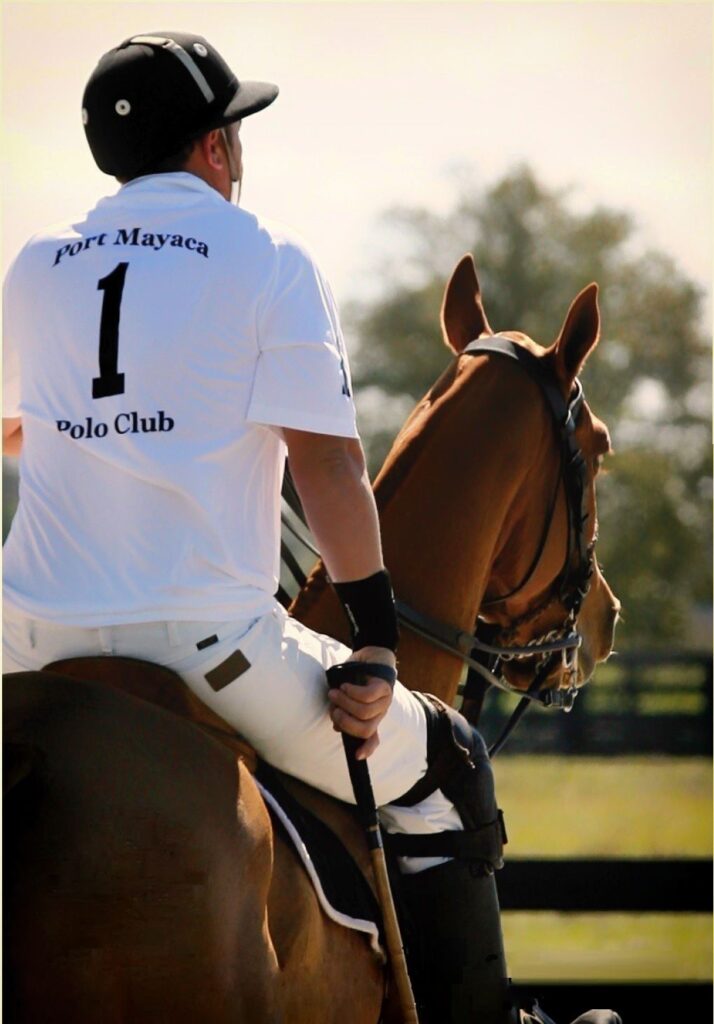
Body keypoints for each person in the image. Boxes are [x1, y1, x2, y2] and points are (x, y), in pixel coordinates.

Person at [2, 31, 619, 1024]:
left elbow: (18, 429)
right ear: (215, 147)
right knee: (450, 759)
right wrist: (374, 641)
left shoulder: (35, 266)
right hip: (210, 651)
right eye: (235, 133)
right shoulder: (268, 258)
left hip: (27, 642)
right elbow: (330, 468)